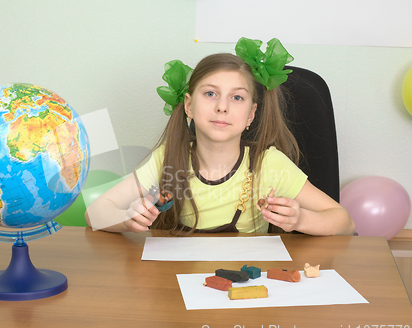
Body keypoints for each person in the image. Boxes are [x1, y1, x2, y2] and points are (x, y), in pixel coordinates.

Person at [85, 37, 355, 236]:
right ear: (189, 106)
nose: (222, 106)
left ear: (251, 115)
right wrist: (126, 218)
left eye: (237, 97)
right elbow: (94, 213)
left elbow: (344, 221)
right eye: (211, 93)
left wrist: (300, 219)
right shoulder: (167, 159)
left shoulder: (269, 164)